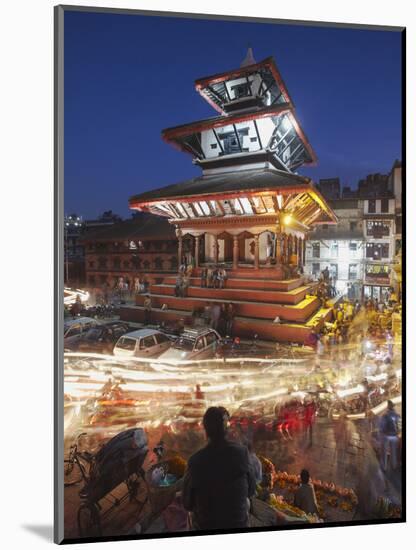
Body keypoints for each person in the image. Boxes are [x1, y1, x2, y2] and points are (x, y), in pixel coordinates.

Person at [182, 406, 256, 530]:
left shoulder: (195, 461)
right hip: (238, 525)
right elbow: (251, 490)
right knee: (247, 503)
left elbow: (187, 503)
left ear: (205, 431)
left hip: (206, 526)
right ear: (226, 429)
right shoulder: (241, 453)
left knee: (190, 516)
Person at [380, 400, 401, 471]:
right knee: (393, 452)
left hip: (386, 436)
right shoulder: (398, 416)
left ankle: (384, 467)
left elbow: (382, 426)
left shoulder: (385, 415)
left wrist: (381, 432)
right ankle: (394, 465)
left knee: (384, 452)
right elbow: (400, 426)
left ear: (388, 407)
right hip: (395, 437)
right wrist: (398, 434)